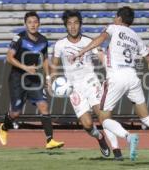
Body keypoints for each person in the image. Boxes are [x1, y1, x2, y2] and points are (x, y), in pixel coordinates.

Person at [75, 6, 149, 166]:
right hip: (132, 77)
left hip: (116, 76)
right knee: (146, 117)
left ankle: (128, 137)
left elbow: (100, 39)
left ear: (118, 18)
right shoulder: (136, 37)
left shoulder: (113, 28)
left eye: (115, 17)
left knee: (104, 118)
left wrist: (82, 51)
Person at [50, 10, 123, 160]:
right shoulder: (60, 45)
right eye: (69, 23)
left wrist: (111, 72)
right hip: (74, 89)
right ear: (65, 26)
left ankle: (117, 150)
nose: (73, 26)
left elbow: (102, 57)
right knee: (88, 125)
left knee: (103, 116)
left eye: (76, 23)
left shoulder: (88, 42)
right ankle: (100, 137)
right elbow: (54, 65)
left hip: (91, 82)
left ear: (80, 24)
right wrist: (50, 81)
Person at [0, 11, 64, 149]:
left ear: (39, 23)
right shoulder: (19, 38)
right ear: (25, 24)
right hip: (17, 79)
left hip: (33, 80)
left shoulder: (43, 40)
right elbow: (9, 57)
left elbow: (45, 59)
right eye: (30, 22)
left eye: (35, 22)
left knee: (44, 106)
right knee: (15, 113)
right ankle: (4, 126)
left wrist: (47, 77)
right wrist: (25, 67)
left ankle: (50, 140)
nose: (33, 25)